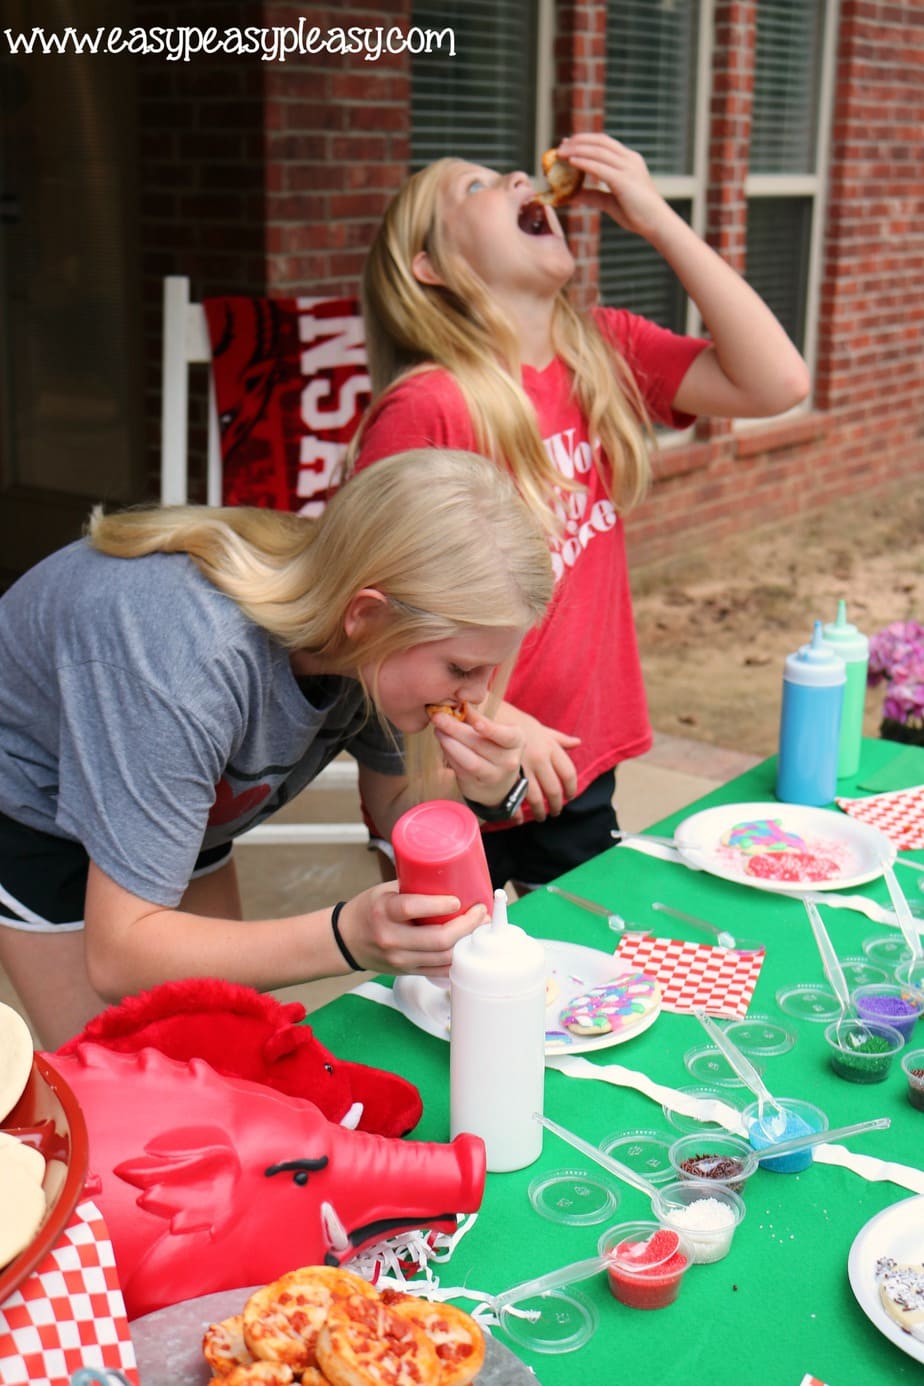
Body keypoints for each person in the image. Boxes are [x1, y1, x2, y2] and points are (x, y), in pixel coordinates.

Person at [349, 132, 811, 890]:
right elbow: (372, 622)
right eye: (472, 187)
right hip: (457, 774)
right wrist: (491, 721)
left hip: (574, 756)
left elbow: (778, 382)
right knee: (456, 988)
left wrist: (658, 218)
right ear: (428, 267)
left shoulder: (604, 351)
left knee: (582, 983)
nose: (512, 175)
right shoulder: (428, 407)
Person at [0, 449, 552, 1048]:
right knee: (118, 1094)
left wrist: (490, 792)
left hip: (168, 792)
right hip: (33, 815)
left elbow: (398, 805)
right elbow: (121, 956)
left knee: (221, 1052)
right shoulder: (187, 672)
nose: (476, 698)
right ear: (365, 614)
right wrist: (345, 936)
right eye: (462, 669)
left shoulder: (366, 646)